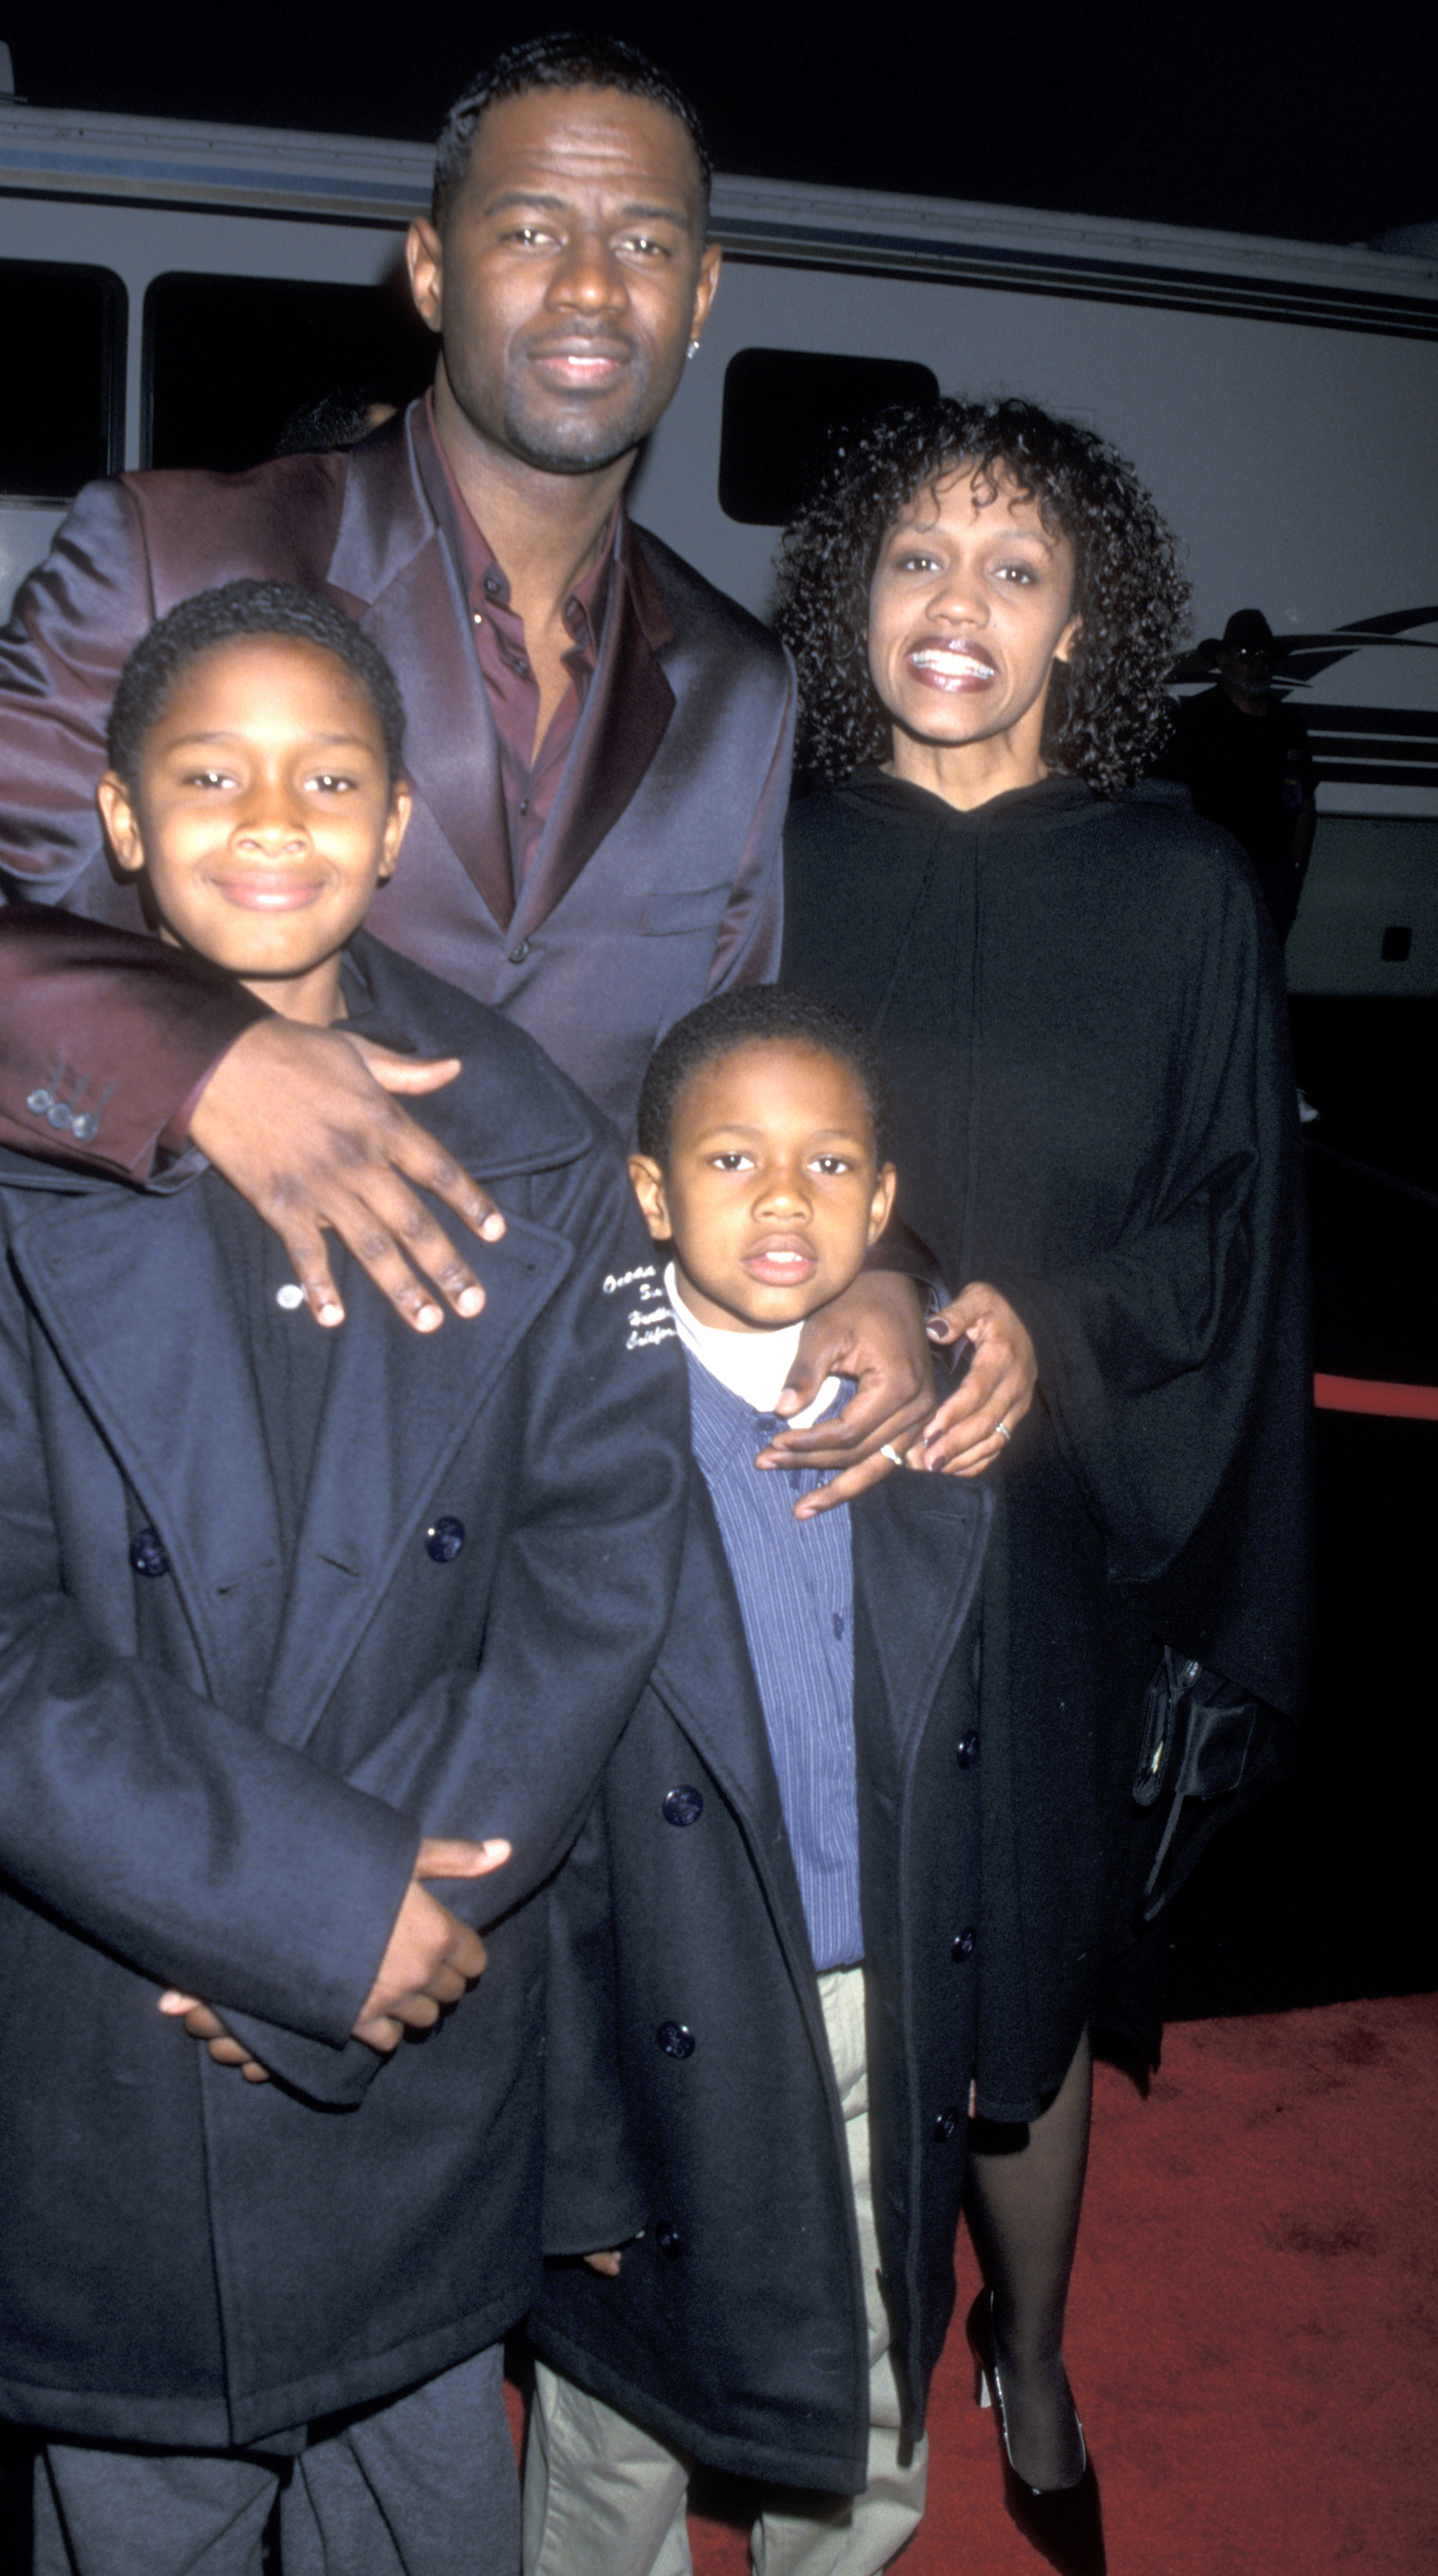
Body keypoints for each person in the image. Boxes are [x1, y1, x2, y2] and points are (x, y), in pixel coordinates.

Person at [0, 33, 933, 1482]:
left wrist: (878, 1275)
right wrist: (200, 1059)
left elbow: (733, 1091)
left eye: (643, 241)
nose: (591, 286)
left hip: (542, 1482)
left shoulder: (737, 685)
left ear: (702, 293)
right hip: (196, 1470)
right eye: (531, 229)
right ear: (430, 271)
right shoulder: (190, 554)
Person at [0, 579, 689, 2576]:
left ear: (399, 821)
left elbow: (593, 1550)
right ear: (123, 815)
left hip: (427, 1994)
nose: (274, 816)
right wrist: (300, 1909)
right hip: (115, 2010)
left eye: (330, 775)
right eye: (208, 773)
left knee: (427, 2499)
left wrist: (394, 1908)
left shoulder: (533, 1141)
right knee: (142, 2516)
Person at [774, 398, 1309, 2576]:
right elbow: (699, 1156)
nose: (958, 608)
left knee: (1025, 1979)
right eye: (917, 558)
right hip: (798, 1498)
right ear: (852, 599)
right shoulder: (769, 851)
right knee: (817, 1956)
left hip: (1056, 1521)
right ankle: (828, 2342)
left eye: (1013, 569)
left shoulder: (1175, 881)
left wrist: (1048, 1336)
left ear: (1087, 620)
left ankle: (1044, 2346)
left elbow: (1230, 1218)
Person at [523, 987, 992, 2576]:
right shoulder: (579, 1438)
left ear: (883, 1197)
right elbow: (540, 1842)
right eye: (730, 1159)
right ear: (651, 1194)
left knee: (868, 2373)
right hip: (667, 1988)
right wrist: (568, 2142)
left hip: (878, 2002)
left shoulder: (931, 1420)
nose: (783, 1199)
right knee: (624, 2416)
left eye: (827, 1164)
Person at [1165, 606, 1317, 946]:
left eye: (1264, 656)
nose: (1257, 664)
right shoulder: (1194, 720)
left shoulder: (1287, 724)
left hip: (1270, 884)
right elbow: (1170, 804)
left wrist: (1293, 873)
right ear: (1223, 659)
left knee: (1263, 980)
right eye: (1246, 655)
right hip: (1207, 880)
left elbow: (1304, 804)